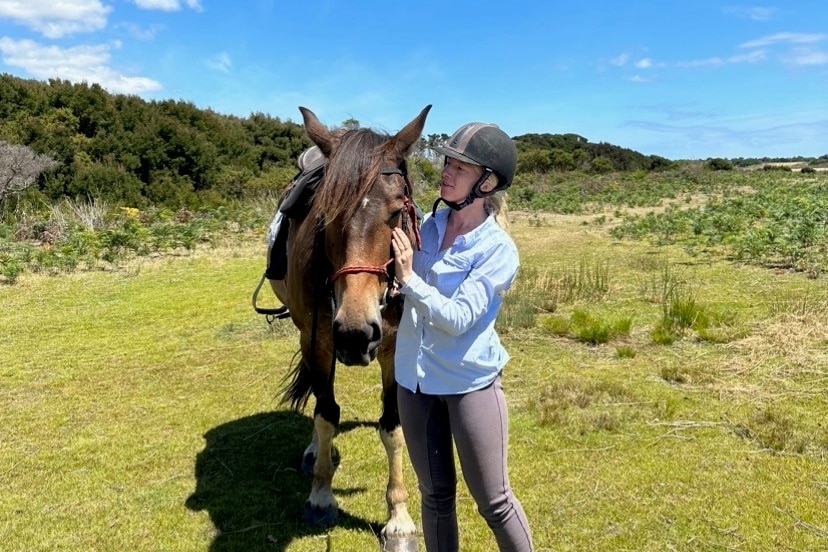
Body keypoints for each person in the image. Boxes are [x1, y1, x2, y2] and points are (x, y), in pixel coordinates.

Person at [390, 122, 533, 552]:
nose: (446, 172)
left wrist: (409, 279)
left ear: (486, 182)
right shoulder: (426, 227)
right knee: (434, 498)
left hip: (468, 385)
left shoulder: (497, 250)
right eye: (446, 162)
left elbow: (457, 317)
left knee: (495, 502)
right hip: (413, 383)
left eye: (460, 167)